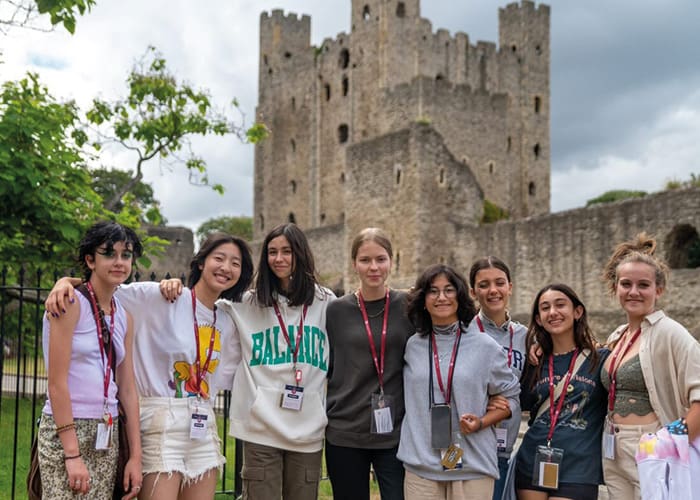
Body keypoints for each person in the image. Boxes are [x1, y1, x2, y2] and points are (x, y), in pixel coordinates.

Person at [45, 231, 254, 499]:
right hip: (161, 422)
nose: (226, 268)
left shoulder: (227, 318)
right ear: (201, 262)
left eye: (235, 263)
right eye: (219, 258)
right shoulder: (160, 297)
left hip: (202, 424)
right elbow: (104, 286)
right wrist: (65, 282)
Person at [216, 223, 335, 500]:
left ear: (301, 254)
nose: (278, 259)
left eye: (286, 251)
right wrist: (170, 286)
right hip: (261, 429)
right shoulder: (248, 302)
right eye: (271, 252)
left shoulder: (325, 301)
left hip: (307, 431)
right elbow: (201, 302)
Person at [398, 264, 520, 500]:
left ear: (461, 295)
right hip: (420, 467)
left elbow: (512, 397)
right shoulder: (412, 345)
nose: (441, 297)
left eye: (449, 290)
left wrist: (482, 421)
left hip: (472, 466)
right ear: (423, 299)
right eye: (433, 291)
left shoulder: (485, 346)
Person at [39, 221, 142, 498]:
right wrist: (72, 455)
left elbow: (128, 390)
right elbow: (57, 384)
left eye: (126, 254)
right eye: (109, 253)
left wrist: (136, 457)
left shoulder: (124, 316)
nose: (119, 261)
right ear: (90, 260)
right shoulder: (70, 303)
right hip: (67, 428)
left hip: (106, 430)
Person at [600, 233, 700, 499]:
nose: (634, 292)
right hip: (612, 447)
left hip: (651, 444)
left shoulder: (671, 333)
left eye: (643, 285)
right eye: (626, 284)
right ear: (616, 288)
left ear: (659, 289)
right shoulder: (617, 335)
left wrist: (670, 445)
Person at [325, 228, 414, 500]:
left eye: (381, 259)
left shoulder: (410, 305)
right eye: (365, 260)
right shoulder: (336, 310)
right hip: (345, 431)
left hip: (395, 432)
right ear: (354, 264)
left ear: (391, 261)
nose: (373, 267)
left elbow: (450, 331)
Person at [515, 283, 608, 500]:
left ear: (577, 311)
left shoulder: (601, 359)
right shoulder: (534, 361)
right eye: (545, 308)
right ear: (538, 319)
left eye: (560, 305)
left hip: (580, 467)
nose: (553, 312)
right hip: (533, 461)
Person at [466, 257, 527, 500]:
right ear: (473, 292)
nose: (493, 290)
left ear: (510, 287)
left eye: (499, 283)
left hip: (503, 448)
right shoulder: (464, 332)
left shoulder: (526, 336)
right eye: (484, 285)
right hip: (470, 446)